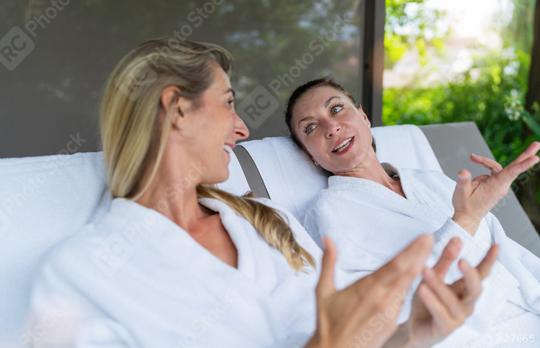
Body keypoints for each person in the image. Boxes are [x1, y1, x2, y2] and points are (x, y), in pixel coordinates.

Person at [27, 39, 494, 348]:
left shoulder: (268, 222)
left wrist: (412, 334)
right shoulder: (81, 274)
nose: (242, 127)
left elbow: (343, 335)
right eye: (228, 102)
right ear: (176, 109)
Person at [285, 77, 540, 347]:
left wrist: (479, 212)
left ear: (363, 116)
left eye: (336, 109)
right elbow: (386, 307)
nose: (331, 127)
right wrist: (466, 220)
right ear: (310, 155)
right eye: (310, 127)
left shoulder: (431, 180)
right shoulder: (328, 212)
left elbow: (511, 255)